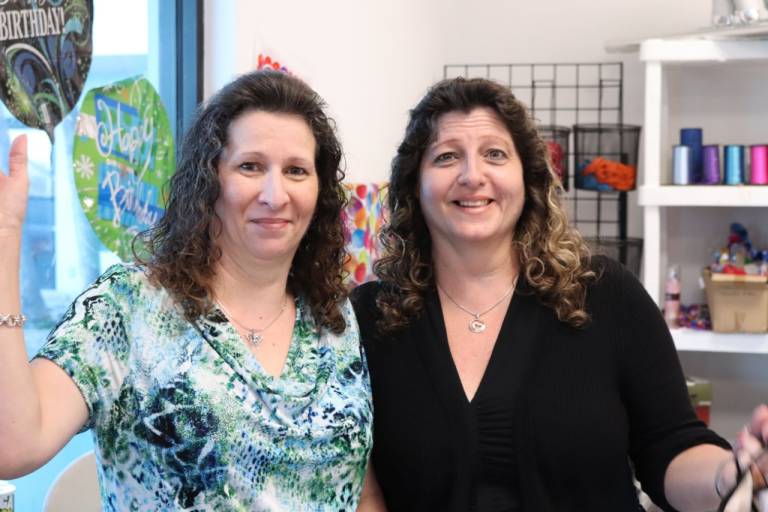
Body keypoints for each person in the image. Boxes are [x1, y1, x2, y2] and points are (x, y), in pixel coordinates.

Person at [352, 77, 768, 511]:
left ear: (529, 178)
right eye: (446, 156)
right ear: (413, 185)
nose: (472, 176)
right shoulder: (372, 318)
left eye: (494, 154)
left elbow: (671, 445)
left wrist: (729, 475)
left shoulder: (604, 296)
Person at [0, 70, 373, 511]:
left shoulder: (333, 317)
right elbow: (15, 445)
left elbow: (360, 488)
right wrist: (6, 238)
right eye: (250, 166)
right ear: (208, 178)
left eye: (296, 170)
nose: (275, 194)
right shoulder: (129, 307)